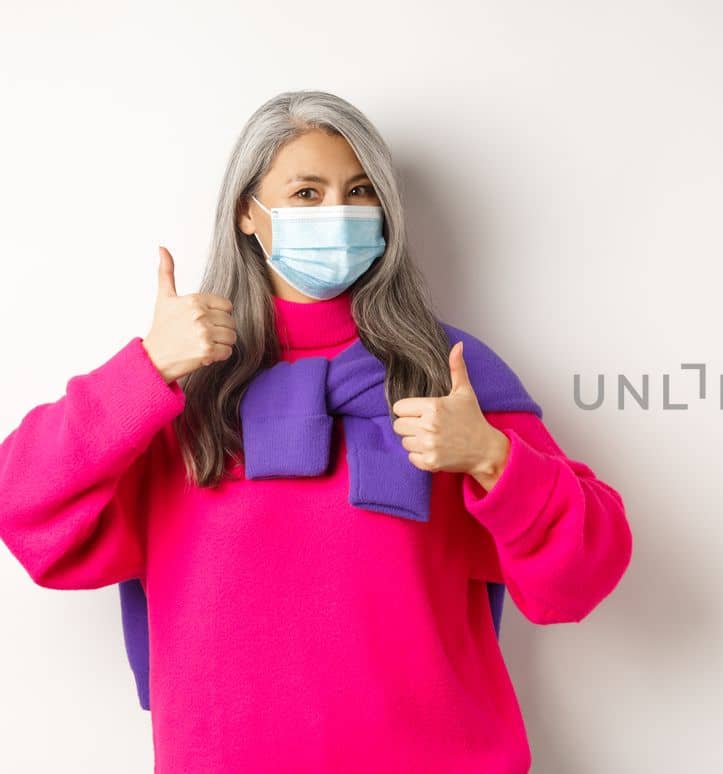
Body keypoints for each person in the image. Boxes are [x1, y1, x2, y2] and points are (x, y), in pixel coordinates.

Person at [0, 90, 633, 773]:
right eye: (306, 192)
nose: (337, 213)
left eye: (359, 191)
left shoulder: (447, 371)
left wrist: (491, 457)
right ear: (247, 211)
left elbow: (586, 572)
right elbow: (25, 507)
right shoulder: (182, 384)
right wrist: (144, 371)